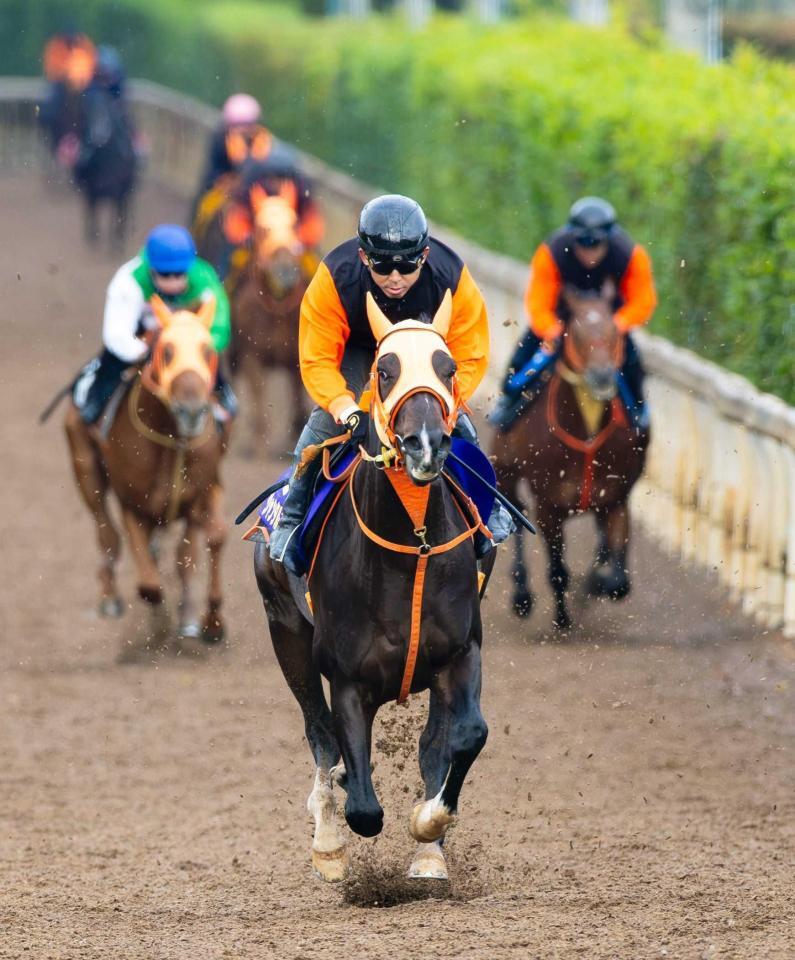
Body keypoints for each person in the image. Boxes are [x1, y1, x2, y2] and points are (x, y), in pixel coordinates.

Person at [268, 193, 514, 576]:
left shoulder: (452, 277)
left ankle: (488, 512)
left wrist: (448, 402)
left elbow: (468, 354)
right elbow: (317, 359)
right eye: (383, 266)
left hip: (425, 355)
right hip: (359, 352)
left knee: (462, 427)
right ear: (364, 258)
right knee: (320, 427)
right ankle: (292, 519)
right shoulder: (335, 277)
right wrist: (346, 409)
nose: (395, 278)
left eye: (407, 266)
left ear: (426, 254)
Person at [490, 196, 657, 432]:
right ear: (572, 237)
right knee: (524, 354)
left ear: (609, 240)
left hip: (610, 323)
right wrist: (553, 330)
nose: (589, 253)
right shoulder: (551, 252)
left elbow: (643, 300)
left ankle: (638, 413)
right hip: (563, 321)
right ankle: (508, 400)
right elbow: (538, 302)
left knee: (632, 363)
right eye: (582, 244)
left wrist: (618, 325)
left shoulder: (631, 255)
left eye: (596, 245)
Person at [72, 224, 236, 424]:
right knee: (111, 360)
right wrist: (143, 349)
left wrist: (203, 345)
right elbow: (116, 334)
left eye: (180, 274)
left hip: (191, 337)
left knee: (210, 361)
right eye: (165, 275)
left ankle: (223, 394)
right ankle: (95, 401)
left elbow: (220, 323)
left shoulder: (205, 278)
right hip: (144, 333)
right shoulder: (129, 281)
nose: (173, 281)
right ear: (151, 269)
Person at [190, 93, 271, 223]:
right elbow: (213, 172)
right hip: (220, 189)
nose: (244, 131)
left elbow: (260, 168)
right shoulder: (220, 139)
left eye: (249, 125)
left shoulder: (261, 140)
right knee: (205, 207)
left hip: (249, 193)